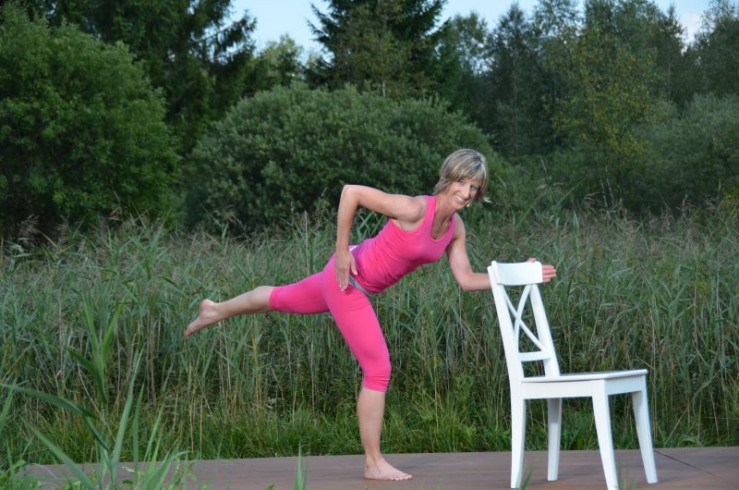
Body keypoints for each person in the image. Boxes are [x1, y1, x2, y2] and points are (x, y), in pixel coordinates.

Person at [184, 149, 557, 481]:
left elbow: (467, 279)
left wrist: (519, 273)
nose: (466, 192)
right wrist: (341, 250)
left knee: (280, 298)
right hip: (349, 282)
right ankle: (373, 462)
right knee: (378, 368)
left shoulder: (455, 228)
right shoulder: (414, 208)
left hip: (343, 280)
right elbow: (352, 192)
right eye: (462, 182)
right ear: (448, 179)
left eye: (474, 187)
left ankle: (214, 309)